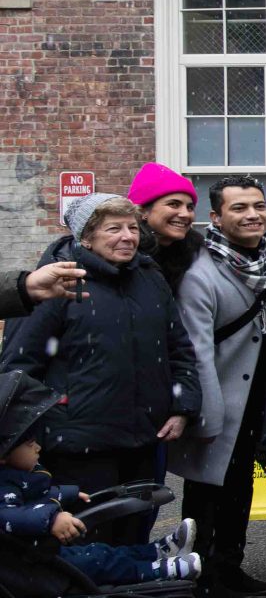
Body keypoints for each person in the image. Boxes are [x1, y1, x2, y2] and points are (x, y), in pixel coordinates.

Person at [1, 195, 197, 547]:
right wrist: (28, 437)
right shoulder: (58, 281)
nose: (127, 237)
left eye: (132, 228)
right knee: (87, 541)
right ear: (86, 238)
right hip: (77, 446)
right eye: (113, 229)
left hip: (144, 438)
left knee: (135, 534)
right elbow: (19, 366)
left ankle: (139, 581)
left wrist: (183, 406)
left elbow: (178, 347)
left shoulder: (150, 277)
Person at [168, 174, 266, 598]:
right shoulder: (201, 273)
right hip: (218, 399)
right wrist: (208, 416)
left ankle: (230, 566)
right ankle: (198, 573)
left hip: (258, 393)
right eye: (239, 208)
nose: (252, 215)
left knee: (240, 485)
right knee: (205, 491)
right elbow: (198, 351)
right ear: (216, 218)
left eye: (258, 206)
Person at [0, 371, 202, 584]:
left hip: (41, 551)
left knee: (101, 551)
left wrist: (68, 493)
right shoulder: (5, 484)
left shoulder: (17, 474)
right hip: (37, 561)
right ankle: (158, 570)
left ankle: (156, 551)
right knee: (99, 562)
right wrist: (51, 519)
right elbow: (9, 515)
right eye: (29, 444)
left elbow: (36, 495)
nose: (37, 447)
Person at [127, 162, 203, 295]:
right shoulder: (122, 254)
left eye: (190, 207)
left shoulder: (197, 254)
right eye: (173, 204)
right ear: (142, 211)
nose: (185, 214)